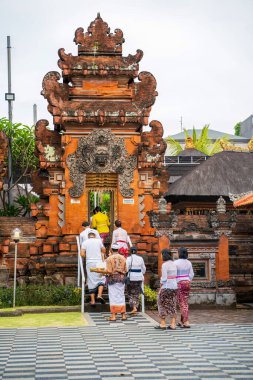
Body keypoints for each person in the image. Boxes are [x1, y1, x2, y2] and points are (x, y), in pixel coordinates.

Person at [81, 231, 106, 305]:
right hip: (98, 262)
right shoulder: (98, 241)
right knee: (101, 278)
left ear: (88, 236)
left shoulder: (85, 242)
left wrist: (88, 256)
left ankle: (93, 301)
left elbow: (82, 254)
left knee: (91, 280)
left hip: (90, 263)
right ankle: (99, 295)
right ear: (94, 236)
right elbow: (104, 250)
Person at [155, 249, 177, 330]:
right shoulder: (174, 264)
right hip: (174, 287)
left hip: (166, 286)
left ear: (163, 255)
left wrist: (161, 285)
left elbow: (164, 278)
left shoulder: (164, 265)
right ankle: (173, 324)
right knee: (172, 303)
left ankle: (163, 323)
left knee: (160, 302)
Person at [105, 243, 127, 321]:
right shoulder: (123, 258)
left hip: (113, 279)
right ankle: (123, 315)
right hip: (121, 279)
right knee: (121, 295)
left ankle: (113, 316)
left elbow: (109, 271)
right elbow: (126, 270)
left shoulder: (109, 258)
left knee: (113, 296)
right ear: (118, 250)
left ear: (111, 249)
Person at [175, 247, 194, 328]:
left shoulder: (175, 263)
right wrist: (188, 280)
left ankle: (186, 321)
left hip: (179, 283)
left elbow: (174, 274)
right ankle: (182, 321)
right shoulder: (189, 262)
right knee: (184, 302)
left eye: (177, 252)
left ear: (179, 253)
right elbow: (191, 274)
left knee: (182, 303)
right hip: (187, 282)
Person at [126, 246, 146, 315]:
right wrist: (141, 273)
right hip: (139, 277)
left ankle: (134, 307)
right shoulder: (140, 258)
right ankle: (135, 308)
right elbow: (143, 268)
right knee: (137, 293)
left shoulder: (128, 259)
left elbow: (126, 268)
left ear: (130, 251)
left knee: (130, 293)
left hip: (131, 277)